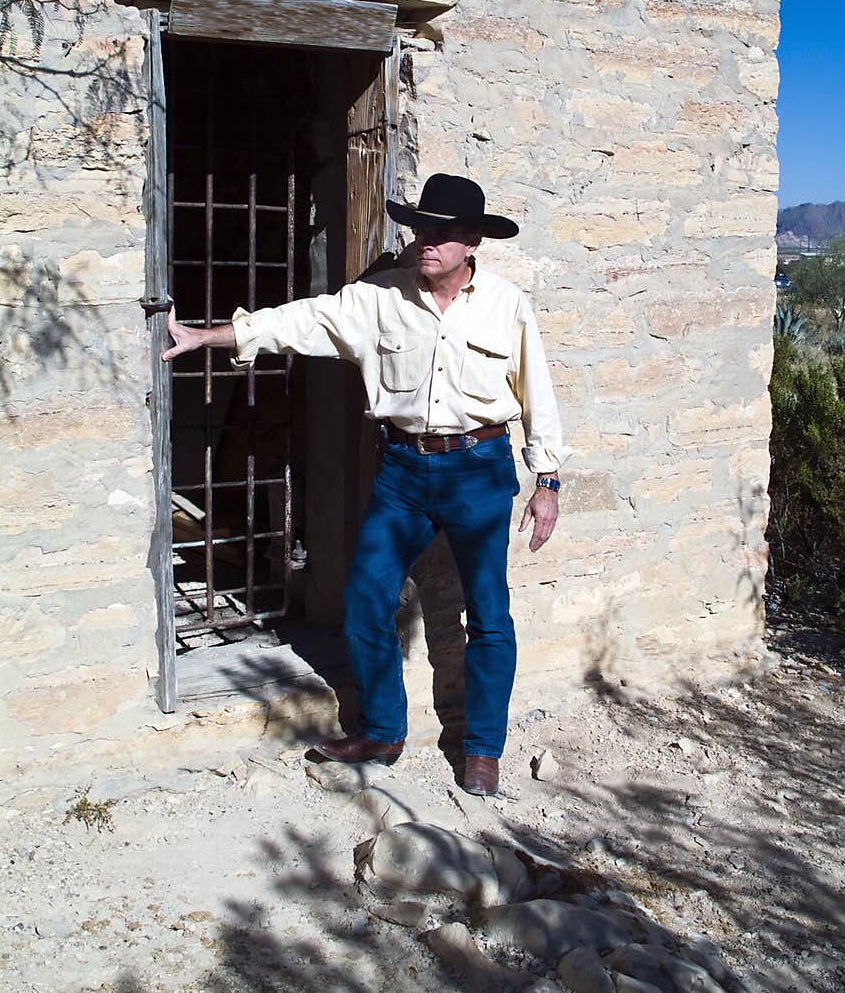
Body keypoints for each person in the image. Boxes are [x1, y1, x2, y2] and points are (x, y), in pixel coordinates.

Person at [163, 173, 568, 795]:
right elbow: (300, 322)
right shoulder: (378, 299)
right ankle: (384, 730)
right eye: (420, 228)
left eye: (442, 232)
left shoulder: (507, 304)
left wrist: (548, 479)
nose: (425, 241)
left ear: (471, 243)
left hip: (479, 470)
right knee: (365, 603)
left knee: (489, 615)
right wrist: (209, 336)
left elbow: (536, 392)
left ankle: (483, 748)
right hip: (403, 472)